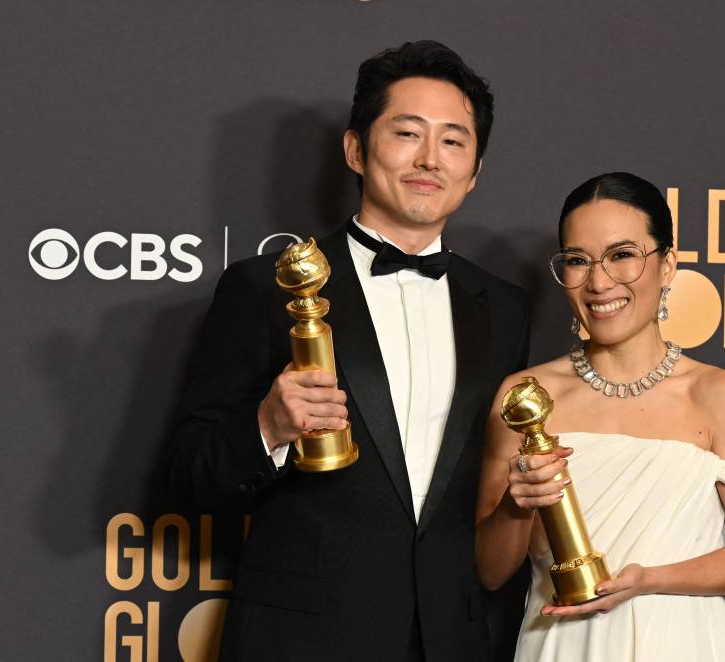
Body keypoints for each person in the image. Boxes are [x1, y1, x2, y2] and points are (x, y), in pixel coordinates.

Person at [168, 41, 530, 662]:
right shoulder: (265, 288)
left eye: (453, 141)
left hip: (451, 640)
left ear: (474, 171)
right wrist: (267, 428)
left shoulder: (503, 308)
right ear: (355, 149)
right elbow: (190, 475)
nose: (429, 159)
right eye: (407, 133)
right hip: (304, 641)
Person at [475, 172, 725, 661]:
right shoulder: (525, 397)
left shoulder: (720, 395)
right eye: (578, 261)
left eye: (623, 255)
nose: (599, 282)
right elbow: (490, 572)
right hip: (561, 647)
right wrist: (518, 506)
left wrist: (649, 580)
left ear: (667, 266)